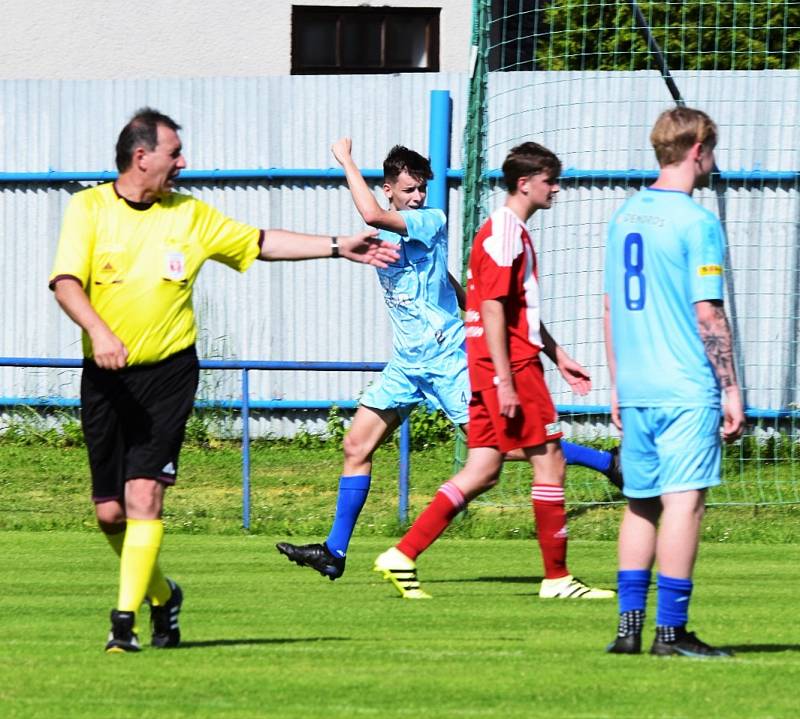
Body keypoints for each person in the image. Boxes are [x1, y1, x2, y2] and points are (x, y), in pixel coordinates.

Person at [48, 108, 400, 654]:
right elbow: (66, 283)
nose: (183, 162)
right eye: (174, 153)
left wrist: (335, 245)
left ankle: (124, 623)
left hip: (168, 374)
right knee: (110, 513)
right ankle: (163, 595)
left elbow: (260, 241)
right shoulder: (88, 209)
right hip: (106, 379)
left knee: (144, 496)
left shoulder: (190, 216)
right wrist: (100, 330)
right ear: (142, 158)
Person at [276, 140, 622, 585]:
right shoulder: (386, 239)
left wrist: (345, 161)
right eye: (408, 190)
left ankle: (606, 463)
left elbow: (370, 214)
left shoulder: (428, 218)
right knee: (356, 448)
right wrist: (466, 301)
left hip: (446, 358)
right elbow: (440, 275)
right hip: (407, 363)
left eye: (421, 189)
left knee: (498, 451)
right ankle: (334, 552)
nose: (417, 197)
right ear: (389, 188)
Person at [604, 107, 745, 657]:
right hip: (685, 385)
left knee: (641, 503)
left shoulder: (625, 215)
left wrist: (617, 384)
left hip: (637, 384)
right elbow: (707, 312)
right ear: (698, 149)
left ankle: (627, 631)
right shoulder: (697, 221)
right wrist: (731, 388)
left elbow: (611, 305)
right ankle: (672, 632)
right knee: (684, 503)